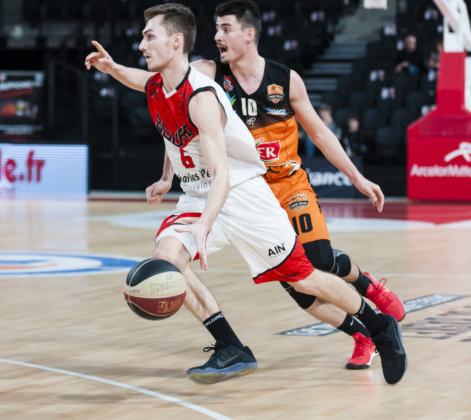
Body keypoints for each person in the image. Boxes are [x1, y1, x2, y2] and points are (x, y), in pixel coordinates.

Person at [85, 3, 407, 385]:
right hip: (200, 193)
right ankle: (231, 346)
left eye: (148, 36)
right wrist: (113, 69)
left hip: (243, 191)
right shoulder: (167, 83)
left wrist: (203, 226)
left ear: (176, 42)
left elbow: (225, 171)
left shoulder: (206, 93)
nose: (141, 44)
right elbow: (149, 89)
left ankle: (379, 327)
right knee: (168, 258)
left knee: (305, 277)